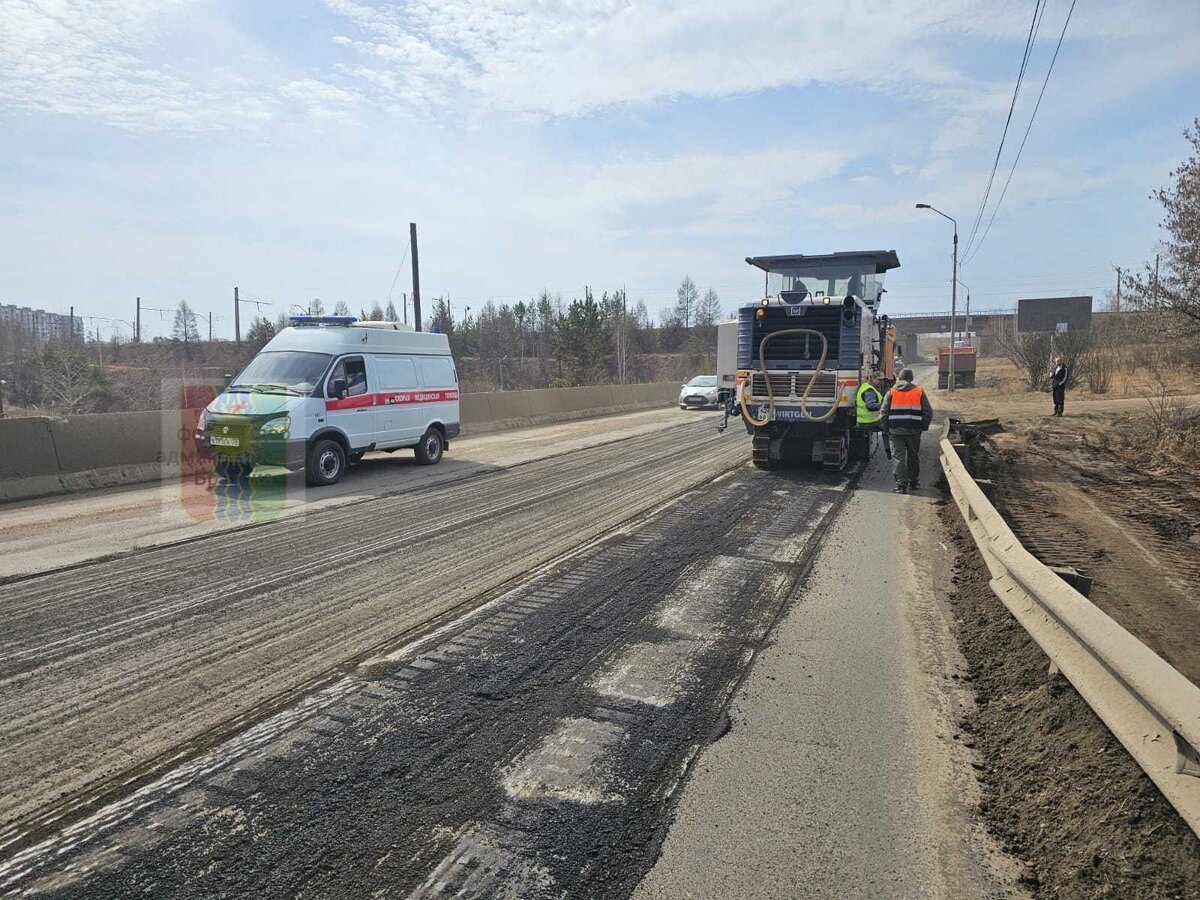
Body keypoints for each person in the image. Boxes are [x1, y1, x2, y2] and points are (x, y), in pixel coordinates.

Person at [881, 368, 933, 494]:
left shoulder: (891, 392)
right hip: (914, 431)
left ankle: (901, 486)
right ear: (911, 378)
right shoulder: (919, 391)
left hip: (895, 431)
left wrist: (886, 428)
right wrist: (923, 426)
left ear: (899, 378)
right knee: (913, 456)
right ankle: (913, 481)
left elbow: (883, 413)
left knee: (898, 458)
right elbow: (928, 412)